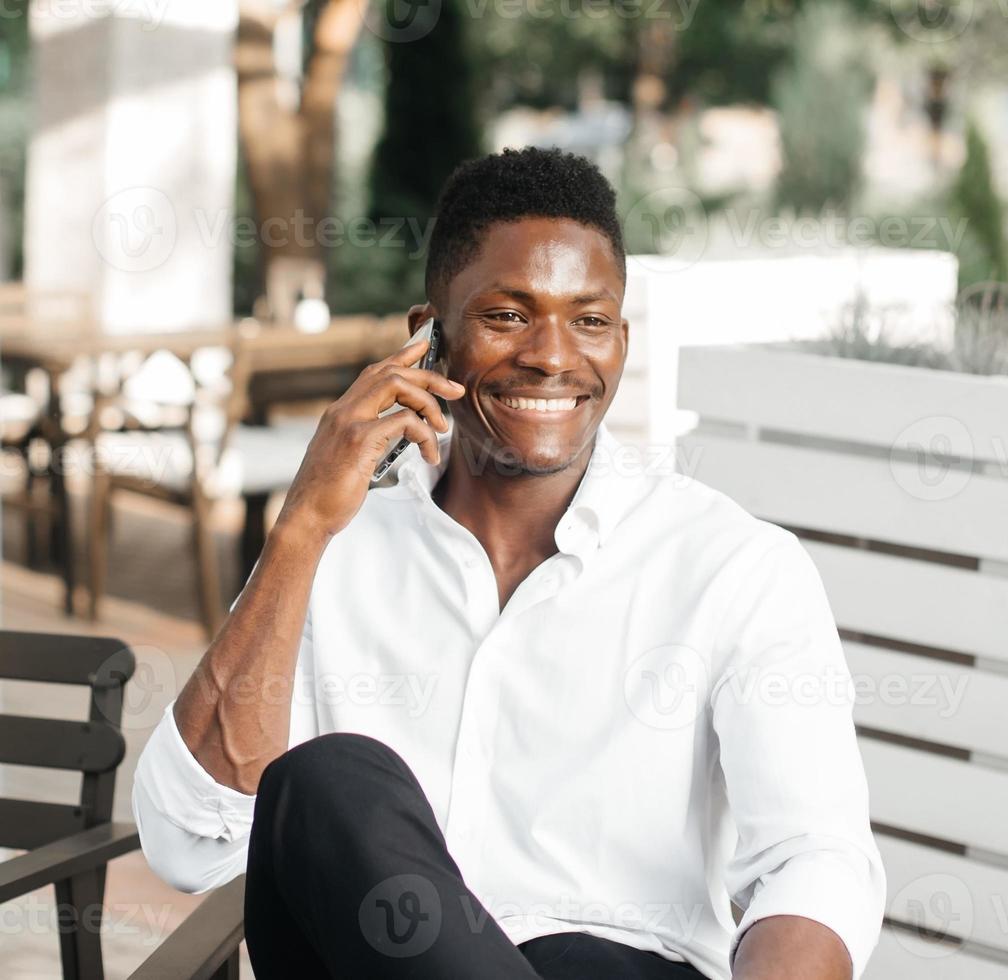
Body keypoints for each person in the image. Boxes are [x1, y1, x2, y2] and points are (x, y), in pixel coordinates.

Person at [131, 147, 885, 980]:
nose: (554, 355)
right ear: (429, 338)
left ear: (621, 341)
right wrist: (300, 529)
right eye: (508, 316)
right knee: (327, 782)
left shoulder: (734, 567)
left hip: (619, 968)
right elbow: (189, 840)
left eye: (589, 320)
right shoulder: (332, 551)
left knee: (573, 956)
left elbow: (814, 860)